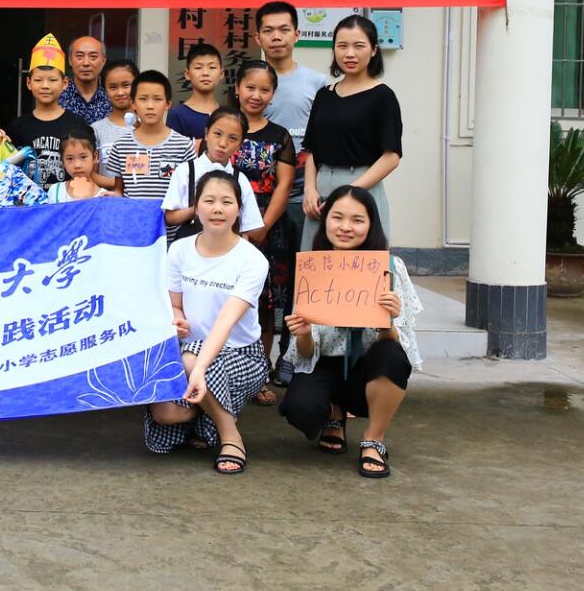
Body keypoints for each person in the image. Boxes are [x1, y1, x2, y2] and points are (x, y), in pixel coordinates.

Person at [280, 185, 422, 479]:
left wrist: (388, 320)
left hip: (369, 366)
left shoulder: (391, 268)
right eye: (337, 217)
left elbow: (401, 345)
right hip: (325, 363)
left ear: (371, 225)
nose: (345, 227)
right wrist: (303, 333)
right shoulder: (312, 268)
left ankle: (373, 439)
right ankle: (334, 411)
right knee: (300, 409)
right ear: (325, 221)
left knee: (391, 354)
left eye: (357, 220)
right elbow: (305, 353)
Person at [145, 171, 269, 474]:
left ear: (238, 209)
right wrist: (177, 320)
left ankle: (230, 435)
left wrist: (198, 367)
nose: (217, 209)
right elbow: (175, 305)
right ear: (196, 207)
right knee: (164, 417)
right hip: (188, 351)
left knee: (192, 359)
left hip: (241, 354)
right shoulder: (179, 250)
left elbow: (225, 322)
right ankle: (205, 414)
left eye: (227, 202)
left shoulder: (253, 260)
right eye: (209, 201)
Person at [301, 14, 402, 249]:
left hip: (362, 187)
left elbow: (391, 157)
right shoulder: (324, 94)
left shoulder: (383, 97)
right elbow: (312, 150)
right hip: (321, 190)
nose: (349, 54)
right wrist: (309, 188)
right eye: (342, 46)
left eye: (359, 46)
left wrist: (350, 191)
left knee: (361, 264)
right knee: (317, 261)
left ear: (374, 50)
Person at [232, 61, 298, 403]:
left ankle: (259, 375)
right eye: (250, 87)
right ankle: (224, 370)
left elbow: (284, 186)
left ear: (273, 94)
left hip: (268, 230)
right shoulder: (223, 127)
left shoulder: (280, 135)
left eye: (264, 89)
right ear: (237, 89)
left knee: (264, 303)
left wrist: (261, 227)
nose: (256, 95)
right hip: (225, 228)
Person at [255, 1, 328, 244]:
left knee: (304, 259)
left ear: (296, 35)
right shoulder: (250, 83)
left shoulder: (317, 82)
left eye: (284, 30)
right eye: (268, 30)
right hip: (259, 195)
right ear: (257, 38)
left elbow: (324, 138)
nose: (276, 37)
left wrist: (312, 188)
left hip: (304, 196)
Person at [162, 107, 264, 238]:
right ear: (206, 133)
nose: (223, 143)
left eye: (233, 138)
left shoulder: (240, 179)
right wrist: (197, 209)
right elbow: (170, 217)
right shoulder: (186, 171)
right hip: (191, 243)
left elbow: (250, 226)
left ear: (240, 145)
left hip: (227, 245)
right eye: (217, 134)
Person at [102, 69, 196, 201]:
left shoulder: (184, 146)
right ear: (133, 103)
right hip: (132, 214)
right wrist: (111, 196)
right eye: (143, 99)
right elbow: (119, 190)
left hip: (169, 214)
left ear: (168, 104)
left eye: (157, 99)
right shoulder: (121, 146)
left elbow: (190, 192)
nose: (150, 106)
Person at [8, 33, 78, 190]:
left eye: (52, 80)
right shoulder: (18, 126)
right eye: (38, 80)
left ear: (65, 83)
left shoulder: (76, 124)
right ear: (29, 83)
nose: (45, 86)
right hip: (28, 200)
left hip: (66, 200)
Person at [166, 42, 224, 141]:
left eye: (212, 67)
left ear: (221, 73)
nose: (205, 73)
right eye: (198, 67)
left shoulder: (226, 114)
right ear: (187, 74)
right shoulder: (177, 115)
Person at [47, 128, 115, 202]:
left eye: (83, 157)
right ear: (63, 161)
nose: (77, 165)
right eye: (70, 159)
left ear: (95, 157)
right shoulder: (55, 192)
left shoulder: (104, 197)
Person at [90, 59, 138, 161]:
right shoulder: (96, 130)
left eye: (126, 85)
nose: (120, 92)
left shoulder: (148, 126)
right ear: (105, 90)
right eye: (113, 87)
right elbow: (92, 169)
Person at [60, 35, 111, 122]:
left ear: (103, 61)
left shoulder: (112, 98)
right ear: (70, 60)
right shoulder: (58, 97)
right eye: (79, 56)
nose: (86, 63)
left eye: (93, 57)